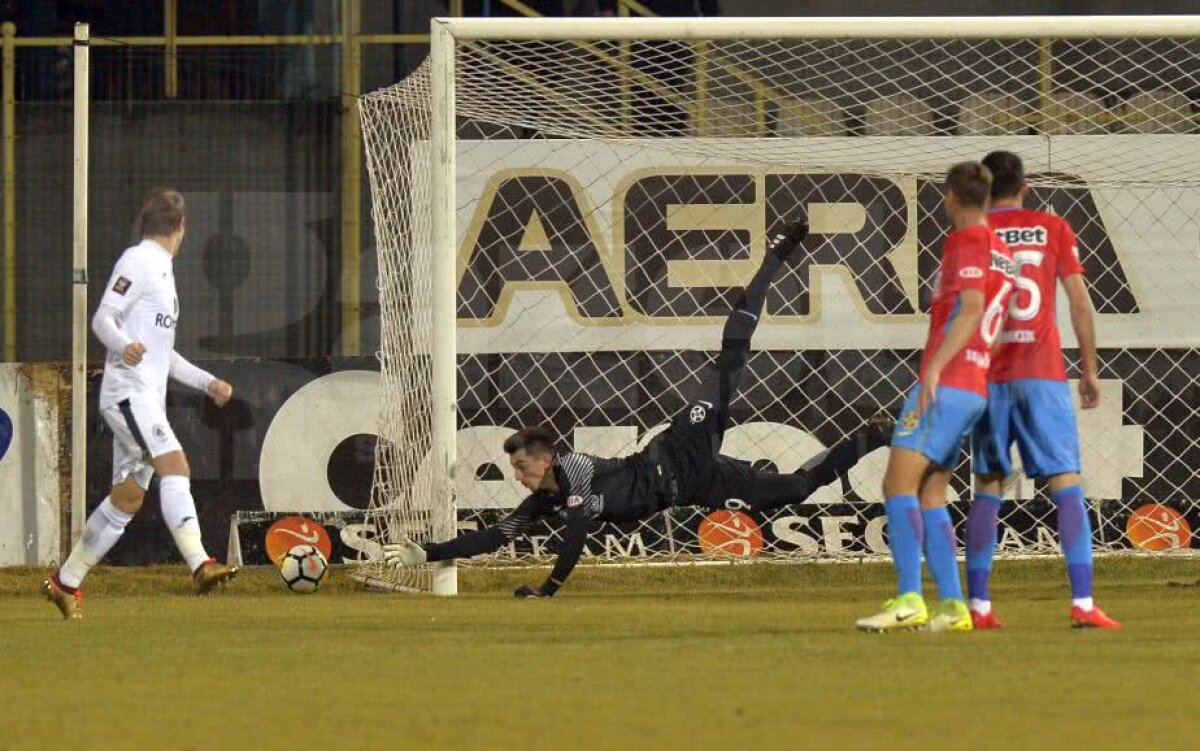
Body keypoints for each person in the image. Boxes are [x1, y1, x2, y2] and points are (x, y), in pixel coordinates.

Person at [384, 220, 890, 596]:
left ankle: (776, 256)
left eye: (521, 466)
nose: (518, 476)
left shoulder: (576, 470)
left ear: (546, 458)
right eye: (513, 469)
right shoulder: (546, 500)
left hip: (679, 446)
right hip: (697, 484)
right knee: (797, 489)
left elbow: (578, 534)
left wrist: (548, 590)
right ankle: (869, 437)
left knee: (731, 354)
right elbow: (494, 537)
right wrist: (425, 552)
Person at [42, 188, 238, 620]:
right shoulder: (141, 261)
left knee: (126, 500)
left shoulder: (161, 273)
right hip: (128, 394)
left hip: (143, 397)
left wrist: (208, 384)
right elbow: (102, 319)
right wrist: (122, 343)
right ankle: (200, 565)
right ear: (181, 228)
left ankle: (64, 583)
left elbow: (161, 354)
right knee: (176, 467)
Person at [856, 162, 1015, 633]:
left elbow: (970, 309)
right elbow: (998, 323)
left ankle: (909, 598)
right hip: (975, 387)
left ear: (949, 198)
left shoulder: (967, 240)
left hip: (949, 383)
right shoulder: (1003, 252)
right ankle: (952, 605)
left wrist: (940, 367)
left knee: (896, 484)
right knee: (931, 491)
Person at [964, 151, 1119, 630]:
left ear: (984, 189)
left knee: (988, 487)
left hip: (988, 377)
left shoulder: (971, 235)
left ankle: (980, 607)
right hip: (1043, 375)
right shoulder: (1054, 229)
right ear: (1025, 186)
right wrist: (1089, 370)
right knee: (1066, 483)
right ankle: (1083, 602)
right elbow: (1079, 303)